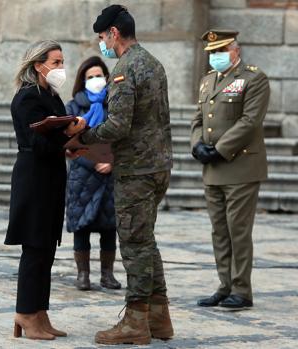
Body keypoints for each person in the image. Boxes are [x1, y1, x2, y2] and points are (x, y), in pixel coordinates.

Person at [77, 5, 174, 345]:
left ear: (114, 34)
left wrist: (83, 136)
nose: (102, 43)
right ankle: (159, 318)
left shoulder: (124, 69)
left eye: (102, 37)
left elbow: (118, 124)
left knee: (134, 244)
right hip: (158, 165)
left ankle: (135, 321)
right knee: (146, 240)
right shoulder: (152, 62)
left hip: (136, 169)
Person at [5, 40, 86, 340]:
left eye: (62, 61)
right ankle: (25, 313)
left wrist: (72, 146)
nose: (61, 68)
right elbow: (36, 142)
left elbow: (55, 139)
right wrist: (68, 133)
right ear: (38, 65)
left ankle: (40, 311)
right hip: (33, 179)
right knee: (34, 248)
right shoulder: (27, 98)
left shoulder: (51, 96)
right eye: (55, 62)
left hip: (51, 177)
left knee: (47, 248)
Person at [190, 30, 270, 310]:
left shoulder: (253, 78)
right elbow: (198, 118)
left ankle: (242, 289)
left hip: (240, 167)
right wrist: (197, 144)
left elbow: (250, 121)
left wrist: (220, 149)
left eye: (221, 51)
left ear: (237, 50)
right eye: (212, 52)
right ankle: (225, 286)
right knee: (219, 231)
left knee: (238, 230)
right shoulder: (208, 80)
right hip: (213, 168)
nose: (216, 57)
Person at [65, 56, 121, 291]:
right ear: (82, 80)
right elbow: (69, 142)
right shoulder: (73, 106)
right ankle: (83, 275)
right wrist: (94, 162)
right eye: (90, 77)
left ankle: (107, 275)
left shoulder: (116, 105)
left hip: (110, 175)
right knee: (82, 227)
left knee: (109, 228)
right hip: (82, 175)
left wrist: (111, 163)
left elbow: (123, 138)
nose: (95, 80)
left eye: (99, 76)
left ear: (107, 78)